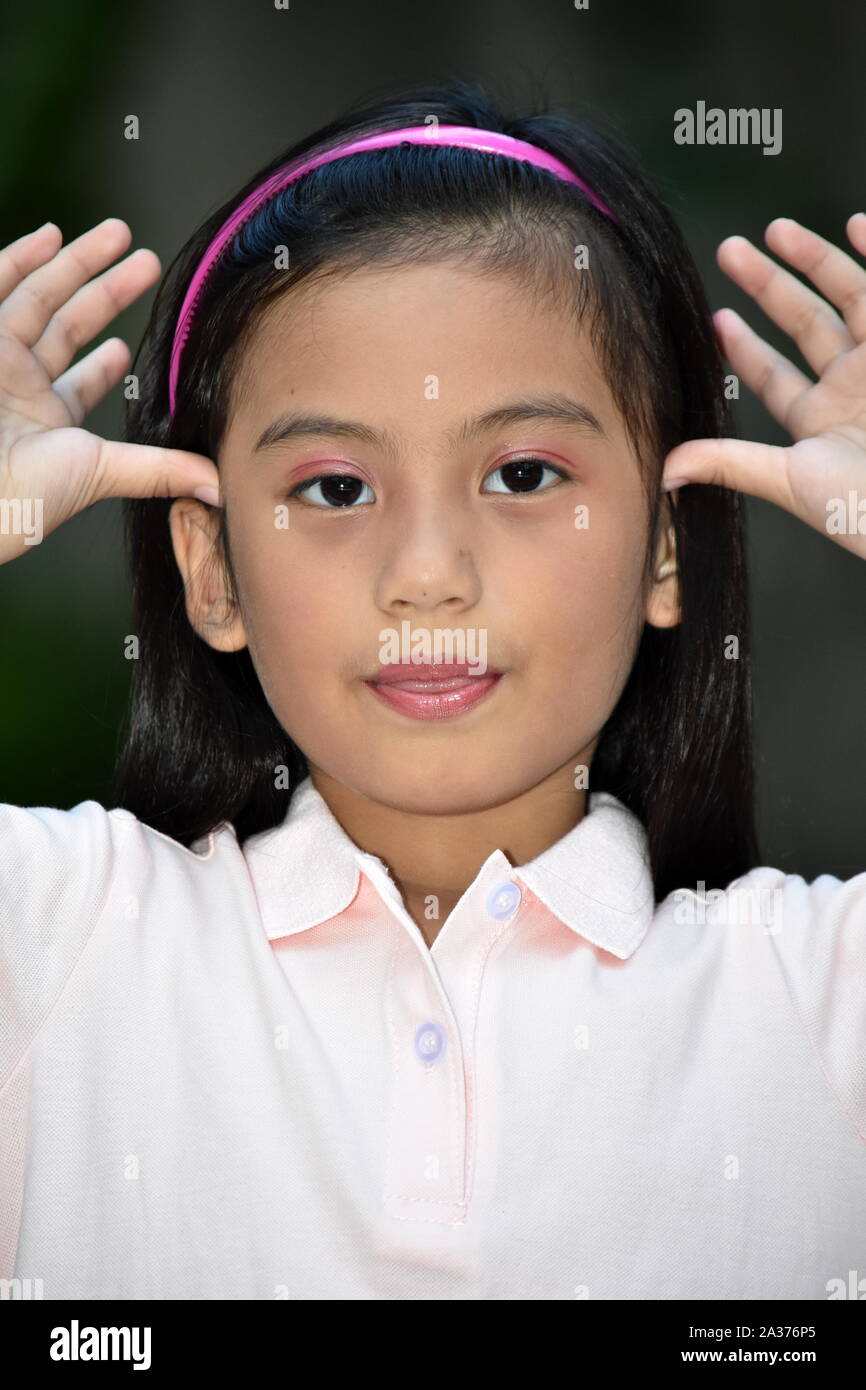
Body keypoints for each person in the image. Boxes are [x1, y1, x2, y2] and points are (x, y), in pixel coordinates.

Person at [1, 81, 864, 1300]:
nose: (426, 576)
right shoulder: (52, 948)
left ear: (665, 546)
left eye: (519, 472)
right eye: (335, 489)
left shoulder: (820, 1001)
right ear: (212, 568)